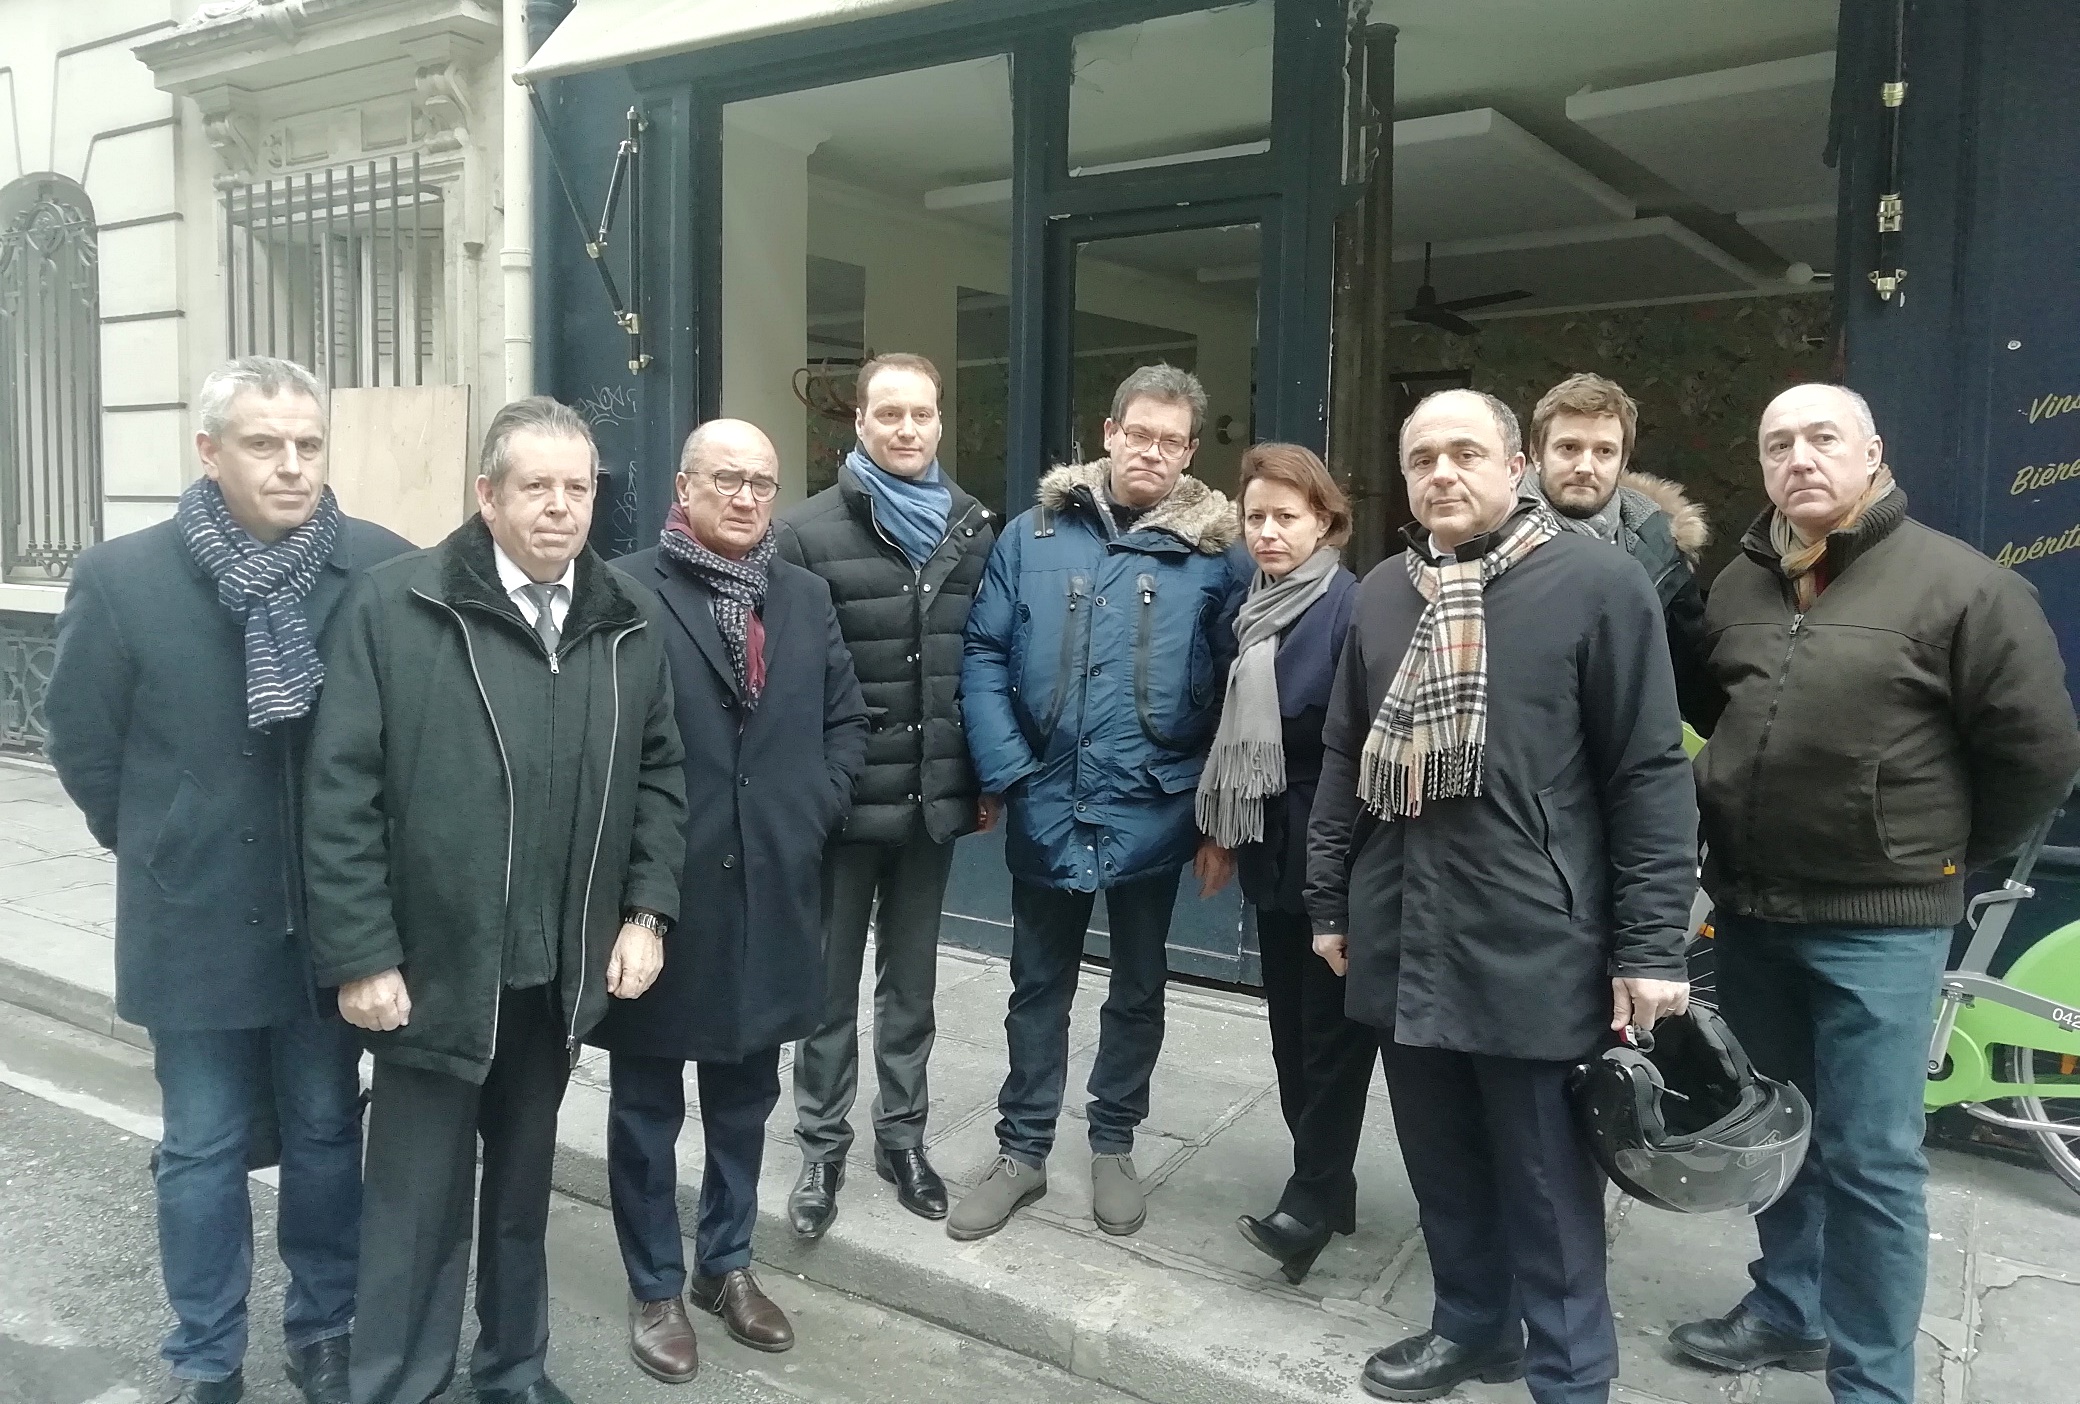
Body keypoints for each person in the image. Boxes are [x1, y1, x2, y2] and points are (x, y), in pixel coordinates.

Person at [1670, 384, 2080, 1404]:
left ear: (1872, 453)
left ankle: (1873, 1383)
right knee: (1777, 1130)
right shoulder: (1740, 586)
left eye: (1821, 438)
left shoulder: (1964, 588)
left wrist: (1940, 853)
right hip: (1756, 912)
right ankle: (1788, 1309)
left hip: (1878, 927)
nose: (1798, 457)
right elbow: (1718, 712)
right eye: (1777, 443)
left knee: (1873, 1162)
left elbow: (2038, 754)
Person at [1306, 388, 1697, 1404]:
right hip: (1401, 925)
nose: (1442, 472)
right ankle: (1472, 1327)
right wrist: (1328, 902)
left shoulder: (1600, 585)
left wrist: (1651, 946)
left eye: (1464, 453)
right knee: (1439, 1158)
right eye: (1421, 458)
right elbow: (1345, 753)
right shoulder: (1384, 591)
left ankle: (1571, 1374)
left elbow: (1647, 773)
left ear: (1514, 464)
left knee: (1543, 1176)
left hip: (1535, 934)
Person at [303, 396, 687, 1404]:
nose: (561, 508)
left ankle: (512, 1370)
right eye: (537, 487)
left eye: (579, 488)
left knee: (520, 1196)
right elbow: (340, 793)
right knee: (415, 1204)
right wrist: (360, 955)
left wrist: (646, 913)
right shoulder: (399, 607)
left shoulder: (624, 621)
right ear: (487, 493)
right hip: (433, 969)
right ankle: (398, 1382)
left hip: (554, 972)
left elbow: (660, 774)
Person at [45, 356, 412, 1404]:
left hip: (328, 922)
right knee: (202, 1147)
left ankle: (324, 1329)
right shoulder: (125, 577)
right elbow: (84, 741)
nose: (292, 466)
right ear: (209, 453)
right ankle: (205, 1356)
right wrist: (161, 840)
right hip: (192, 916)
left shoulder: (380, 570)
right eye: (264, 444)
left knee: (326, 1128)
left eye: (308, 444)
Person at [592, 419, 869, 1377]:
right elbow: (603, 738)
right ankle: (656, 1286)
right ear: (684, 485)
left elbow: (845, 716)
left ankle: (726, 1264)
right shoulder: (626, 586)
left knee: (747, 1098)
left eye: (762, 481)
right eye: (727, 480)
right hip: (661, 894)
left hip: (774, 886)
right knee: (645, 1106)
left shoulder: (802, 594)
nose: (747, 497)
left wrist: (813, 810)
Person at [953, 363, 1251, 1242]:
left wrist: (1213, 816)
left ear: (1190, 452)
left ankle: (1115, 1140)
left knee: (1140, 981)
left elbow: (1239, 686)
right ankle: (1022, 1151)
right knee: (1035, 981)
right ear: (1109, 432)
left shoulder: (1215, 554)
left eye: (1172, 440)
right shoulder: (1032, 534)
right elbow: (982, 652)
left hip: (1155, 802)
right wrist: (1008, 771)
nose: (1152, 451)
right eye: (1139, 432)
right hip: (1050, 796)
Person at [775, 353, 997, 1238]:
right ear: (858, 425)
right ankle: (820, 1145)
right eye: (889, 414)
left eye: (923, 414)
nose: (908, 429)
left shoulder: (973, 527)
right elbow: (786, 684)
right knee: (826, 987)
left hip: (932, 800)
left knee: (912, 985)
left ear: (940, 423)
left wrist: (980, 779)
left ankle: (901, 1139)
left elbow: (983, 664)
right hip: (841, 806)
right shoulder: (803, 533)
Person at [1192, 443, 1368, 1285]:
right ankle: (1330, 1187)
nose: (1266, 533)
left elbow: (1357, 750)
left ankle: (1309, 1199)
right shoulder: (1253, 606)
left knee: (1332, 1038)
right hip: (1271, 847)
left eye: (1285, 518)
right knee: (1289, 1035)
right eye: (1254, 517)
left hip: (1333, 849)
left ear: (1325, 522)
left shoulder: (1351, 609)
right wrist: (1223, 832)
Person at [1524, 372, 1714, 726]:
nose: (1585, 466)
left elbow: (1692, 684)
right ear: (1536, 453)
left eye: (1604, 451)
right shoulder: (1491, 543)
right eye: (1568, 448)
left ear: (1623, 461)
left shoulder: (1660, 549)